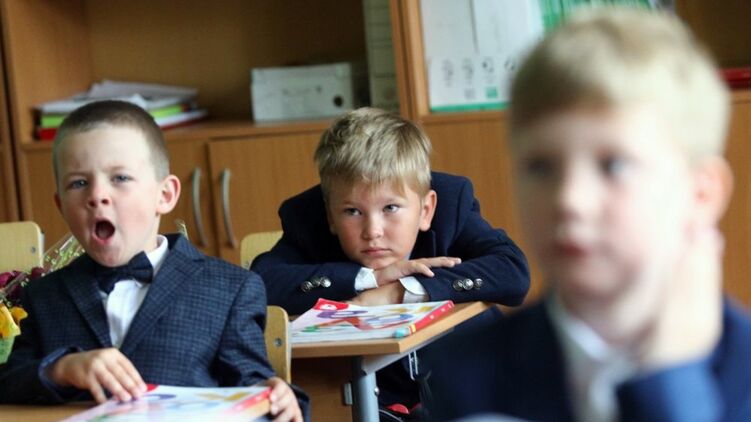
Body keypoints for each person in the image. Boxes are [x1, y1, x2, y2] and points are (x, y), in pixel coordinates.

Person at [427, 7, 751, 422]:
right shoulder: (465, 371)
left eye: (613, 165)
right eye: (541, 166)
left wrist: (670, 378)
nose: (569, 199)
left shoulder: (743, 373)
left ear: (700, 194)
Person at [0, 100, 306, 421]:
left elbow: (254, 384)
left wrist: (280, 397)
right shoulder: (43, 295)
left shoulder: (230, 289)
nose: (97, 195)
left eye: (120, 178)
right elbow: (9, 384)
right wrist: (61, 369)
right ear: (61, 205)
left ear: (165, 195)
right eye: (79, 183)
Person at [251, 107, 530, 411]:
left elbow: (512, 270)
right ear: (330, 215)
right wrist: (369, 279)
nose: (373, 231)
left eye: (390, 208)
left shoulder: (451, 205)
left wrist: (399, 291)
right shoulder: (307, 217)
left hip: (474, 382)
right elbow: (259, 284)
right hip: (372, 399)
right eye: (352, 211)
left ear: (425, 210)